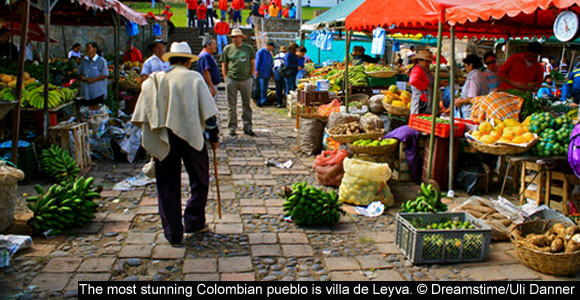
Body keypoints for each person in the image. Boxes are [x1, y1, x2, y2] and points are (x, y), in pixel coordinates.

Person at [131, 41, 219, 246]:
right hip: (192, 138)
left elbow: (143, 109)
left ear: (170, 61)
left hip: (166, 137)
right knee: (200, 181)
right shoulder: (195, 78)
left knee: (167, 185)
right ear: (188, 62)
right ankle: (193, 221)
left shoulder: (159, 80)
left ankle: (173, 233)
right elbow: (210, 115)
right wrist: (213, 137)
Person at [221, 28, 256, 136]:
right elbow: (224, 64)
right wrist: (225, 77)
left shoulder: (248, 49)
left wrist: (251, 76)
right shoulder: (227, 49)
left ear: (241, 38)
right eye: (233, 37)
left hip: (246, 79)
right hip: (232, 78)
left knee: (247, 104)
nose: (235, 39)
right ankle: (232, 127)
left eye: (237, 37)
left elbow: (252, 62)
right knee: (231, 105)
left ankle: (247, 126)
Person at [453, 54, 489, 119]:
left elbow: (472, 98)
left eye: (465, 65)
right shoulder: (481, 74)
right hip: (481, 109)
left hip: (471, 112)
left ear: (471, 65)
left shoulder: (473, 77)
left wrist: (459, 102)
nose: (465, 68)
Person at [78, 42, 109, 107]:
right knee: (87, 111)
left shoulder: (101, 61)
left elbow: (105, 75)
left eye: (89, 47)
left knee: (97, 111)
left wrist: (92, 80)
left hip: (97, 92)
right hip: (86, 92)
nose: (87, 49)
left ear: (94, 49)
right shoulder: (84, 61)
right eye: (86, 48)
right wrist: (82, 77)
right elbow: (79, 73)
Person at [408, 49, 434, 114]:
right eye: (427, 62)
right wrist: (426, 87)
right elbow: (413, 81)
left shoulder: (424, 70)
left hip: (426, 103)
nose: (428, 64)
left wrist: (440, 84)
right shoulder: (417, 70)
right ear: (419, 60)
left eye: (429, 62)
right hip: (420, 104)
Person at [255, 41, 274, 106]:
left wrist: (271, 73)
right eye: (271, 47)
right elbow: (257, 62)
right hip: (261, 73)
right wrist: (256, 71)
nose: (272, 49)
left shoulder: (269, 54)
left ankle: (264, 101)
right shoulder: (260, 52)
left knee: (265, 88)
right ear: (268, 46)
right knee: (261, 88)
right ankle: (260, 101)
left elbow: (270, 64)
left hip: (267, 73)